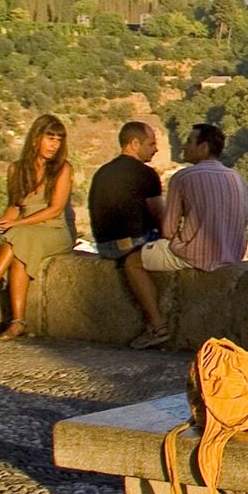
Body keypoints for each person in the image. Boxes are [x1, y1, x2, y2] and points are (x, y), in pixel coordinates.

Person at [0, 114, 75, 341]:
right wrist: (3, 222)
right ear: (36, 138)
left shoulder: (63, 169)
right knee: (18, 253)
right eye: (49, 138)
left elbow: (55, 209)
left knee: (19, 237)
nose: (54, 144)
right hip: (26, 233)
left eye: (58, 140)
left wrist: (16, 224)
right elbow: (15, 206)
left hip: (55, 231)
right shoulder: (16, 169)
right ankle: (18, 322)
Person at [85, 121, 169, 349]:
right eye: (151, 143)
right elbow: (160, 217)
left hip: (104, 246)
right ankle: (158, 326)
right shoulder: (146, 174)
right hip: (131, 244)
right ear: (134, 144)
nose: (156, 149)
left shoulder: (103, 172)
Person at [139, 123, 248, 278]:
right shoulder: (238, 179)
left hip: (194, 256)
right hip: (232, 256)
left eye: (189, 141)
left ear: (203, 147)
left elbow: (168, 230)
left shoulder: (183, 177)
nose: (184, 147)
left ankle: (150, 303)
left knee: (132, 260)